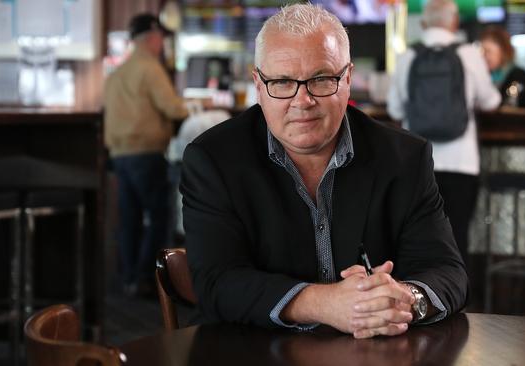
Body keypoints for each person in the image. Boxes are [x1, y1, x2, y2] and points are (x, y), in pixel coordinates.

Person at [180, 4, 466, 339]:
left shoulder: (404, 158)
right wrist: (323, 303)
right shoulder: (213, 159)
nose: (303, 101)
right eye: (283, 82)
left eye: (321, 79)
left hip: (372, 356)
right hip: (249, 351)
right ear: (258, 84)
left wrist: (404, 300)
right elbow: (217, 282)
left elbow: (448, 272)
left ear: (347, 79)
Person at [387, 0, 500, 269]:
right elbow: (491, 101)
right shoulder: (469, 54)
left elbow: (394, 107)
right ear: (454, 21)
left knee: (418, 238)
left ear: (424, 23)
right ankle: (459, 301)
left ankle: (422, 299)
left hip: (419, 162)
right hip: (462, 162)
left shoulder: (408, 56)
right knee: (457, 235)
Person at [104, 13, 189, 296]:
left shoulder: (118, 71)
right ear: (153, 38)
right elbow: (174, 109)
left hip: (119, 156)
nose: (161, 44)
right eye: (161, 39)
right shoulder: (149, 68)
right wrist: (194, 107)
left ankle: (129, 278)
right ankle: (146, 279)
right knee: (160, 216)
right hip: (145, 153)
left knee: (129, 218)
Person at [480, 25, 525, 108]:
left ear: (503, 50)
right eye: (483, 52)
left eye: (489, 51)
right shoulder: (485, 76)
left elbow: (511, 107)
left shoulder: (519, 77)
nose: (485, 57)